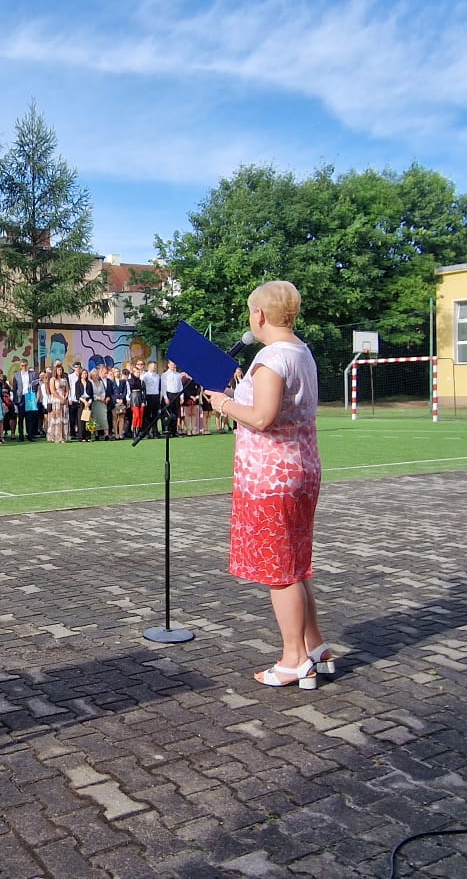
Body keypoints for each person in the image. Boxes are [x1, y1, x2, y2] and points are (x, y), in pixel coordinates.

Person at [211, 281, 329, 688]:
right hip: (301, 467)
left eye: (250, 312)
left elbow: (262, 417)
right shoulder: (301, 351)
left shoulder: (271, 357)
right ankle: (314, 646)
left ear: (259, 315)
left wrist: (223, 404)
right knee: (297, 565)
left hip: (271, 478)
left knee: (281, 571)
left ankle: (294, 659)